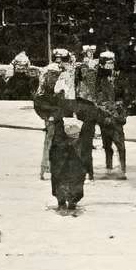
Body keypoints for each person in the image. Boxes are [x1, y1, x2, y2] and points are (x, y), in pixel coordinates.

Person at [34, 46, 89, 213]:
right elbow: (39, 99)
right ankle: (61, 197)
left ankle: (73, 197)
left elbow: (82, 96)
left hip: (74, 125)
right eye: (58, 59)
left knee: (76, 163)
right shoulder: (49, 74)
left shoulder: (73, 74)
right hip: (58, 126)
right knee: (58, 161)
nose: (60, 63)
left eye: (63, 60)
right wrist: (51, 116)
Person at [90, 46, 131, 181]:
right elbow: (96, 96)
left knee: (120, 144)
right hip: (104, 115)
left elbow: (126, 95)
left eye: (111, 62)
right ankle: (109, 167)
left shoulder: (120, 78)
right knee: (107, 144)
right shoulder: (98, 79)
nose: (110, 65)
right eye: (107, 62)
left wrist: (121, 107)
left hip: (117, 115)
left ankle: (122, 169)